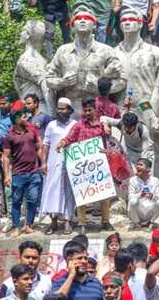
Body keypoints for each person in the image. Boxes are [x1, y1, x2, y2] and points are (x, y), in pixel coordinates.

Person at [46, 6, 124, 116]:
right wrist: (62, 82)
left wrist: (101, 89)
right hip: (69, 113)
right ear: (72, 25)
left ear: (94, 24)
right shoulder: (62, 51)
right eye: (78, 18)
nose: (82, 20)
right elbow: (48, 80)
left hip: (98, 113)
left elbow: (121, 81)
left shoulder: (107, 51)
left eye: (87, 18)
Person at [56, 97, 114, 234]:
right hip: (82, 167)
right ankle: (82, 223)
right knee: (82, 195)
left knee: (105, 195)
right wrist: (62, 143)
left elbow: (110, 142)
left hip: (99, 165)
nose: (87, 113)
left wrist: (107, 151)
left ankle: (105, 221)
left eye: (89, 110)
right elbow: (69, 138)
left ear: (95, 109)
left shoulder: (102, 125)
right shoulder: (79, 125)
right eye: (85, 110)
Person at [2, 109, 44, 236]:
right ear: (16, 119)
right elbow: (6, 157)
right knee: (16, 201)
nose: (25, 118)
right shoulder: (9, 137)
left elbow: (39, 147)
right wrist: (6, 176)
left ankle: (28, 225)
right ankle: (16, 227)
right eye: (22, 116)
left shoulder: (32, 132)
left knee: (33, 199)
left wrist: (43, 164)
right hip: (18, 174)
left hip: (34, 172)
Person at [39, 98, 77, 235]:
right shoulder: (51, 125)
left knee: (68, 193)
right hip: (52, 164)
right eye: (58, 108)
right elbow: (45, 144)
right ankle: (53, 223)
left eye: (63, 108)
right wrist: (43, 163)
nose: (60, 111)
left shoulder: (75, 125)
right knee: (51, 193)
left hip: (70, 164)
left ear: (69, 110)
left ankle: (68, 221)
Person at [127, 158, 159, 229]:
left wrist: (152, 196)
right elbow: (130, 197)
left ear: (148, 169)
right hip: (138, 210)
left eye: (141, 165)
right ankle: (137, 223)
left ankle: (151, 222)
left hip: (150, 209)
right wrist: (140, 195)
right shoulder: (133, 180)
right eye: (137, 165)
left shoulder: (155, 180)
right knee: (133, 201)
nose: (137, 167)